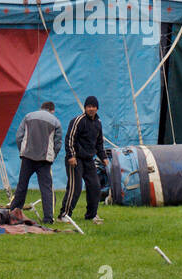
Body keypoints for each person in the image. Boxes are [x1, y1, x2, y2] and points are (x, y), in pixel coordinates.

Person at [9, 101, 62, 224]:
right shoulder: (55, 121)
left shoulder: (28, 116)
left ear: (41, 108)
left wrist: (23, 151)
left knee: (22, 186)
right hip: (44, 160)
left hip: (27, 157)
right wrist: (52, 156)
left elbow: (19, 137)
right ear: (52, 110)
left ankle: (14, 213)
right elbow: (58, 143)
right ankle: (48, 218)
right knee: (46, 189)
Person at [58, 95, 108, 225]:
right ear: (85, 108)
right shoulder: (78, 120)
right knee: (76, 187)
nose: (91, 109)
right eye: (88, 106)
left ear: (97, 108)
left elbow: (99, 143)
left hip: (89, 159)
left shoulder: (98, 123)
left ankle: (91, 215)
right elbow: (69, 139)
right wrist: (71, 156)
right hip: (75, 159)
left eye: (93, 107)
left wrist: (103, 157)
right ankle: (64, 214)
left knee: (95, 186)